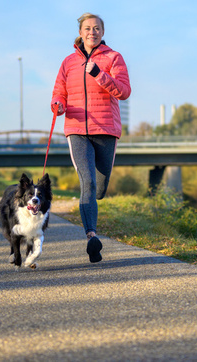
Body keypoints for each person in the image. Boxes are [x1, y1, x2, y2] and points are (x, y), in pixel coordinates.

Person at [51, 13, 131, 262]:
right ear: (81, 32)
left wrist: (99, 74)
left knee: (100, 186)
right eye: (87, 28)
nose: (92, 32)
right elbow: (59, 92)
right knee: (88, 182)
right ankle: (91, 237)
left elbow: (124, 91)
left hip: (106, 129)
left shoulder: (114, 58)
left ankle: (95, 202)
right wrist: (58, 104)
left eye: (97, 28)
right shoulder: (67, 62)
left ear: (102, 32)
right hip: (76, 128)